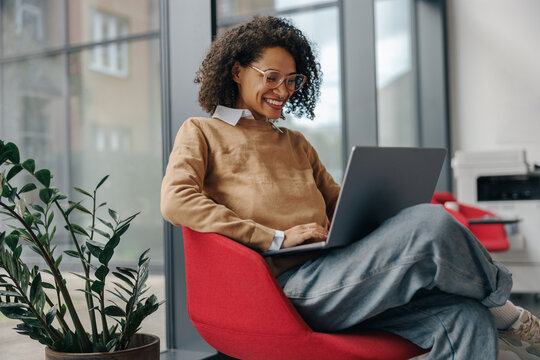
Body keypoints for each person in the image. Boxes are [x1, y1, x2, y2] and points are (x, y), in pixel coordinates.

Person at [161, 16, 540, 359]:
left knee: (465, 317)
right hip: (283, 291)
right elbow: (176, 200)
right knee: (433, 223)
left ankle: (489, 309)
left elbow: (341, 203)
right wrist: (273, 237)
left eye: (293, 80)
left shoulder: (295, 143)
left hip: (340, 276)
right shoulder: (202, 132)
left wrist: (389, 206)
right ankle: (507, 312)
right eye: (271, 77)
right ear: (238, 71)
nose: (283, 89)